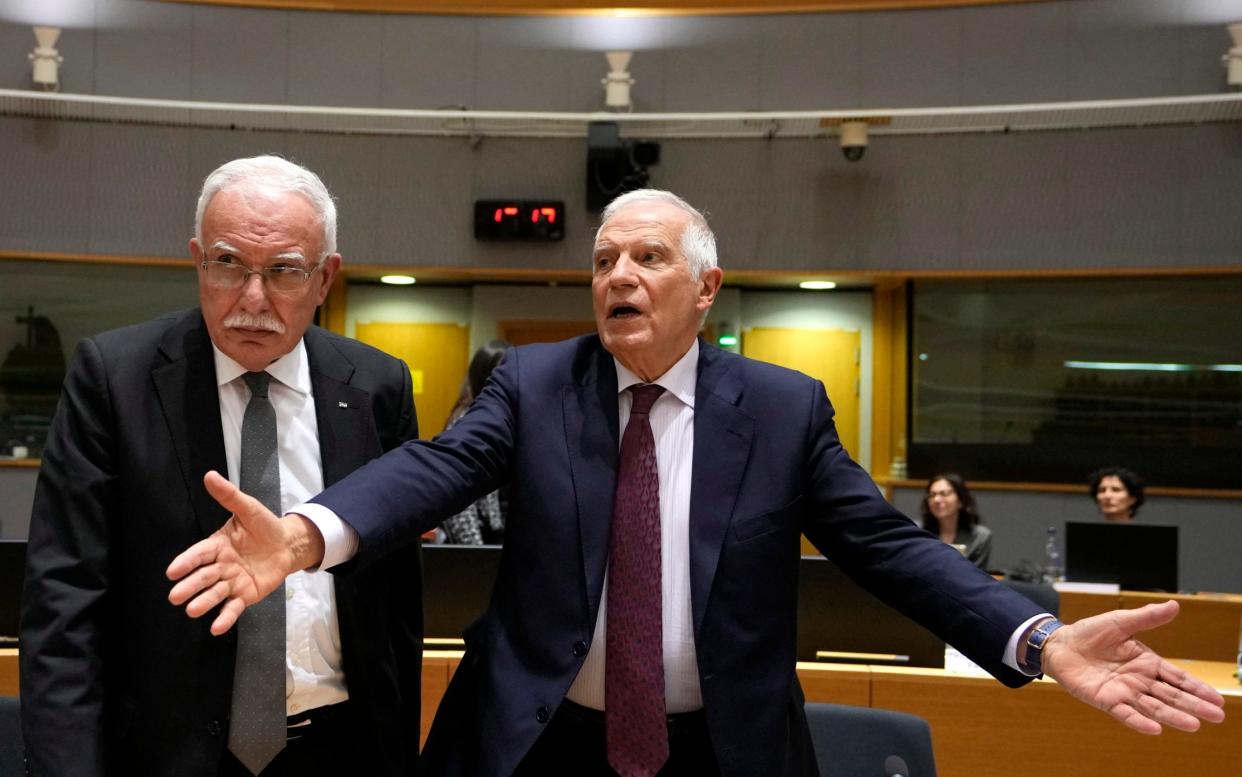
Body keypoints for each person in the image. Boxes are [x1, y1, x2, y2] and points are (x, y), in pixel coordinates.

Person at [168, 189, 1224, 777]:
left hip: (723, 754)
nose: (618, 276)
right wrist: (307, 535)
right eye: (604, 260)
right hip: (536, 750)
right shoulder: (532, 384)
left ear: (706, 287)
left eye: (649, 258)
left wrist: (1036, 638)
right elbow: (437, 471)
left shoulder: (782, 408)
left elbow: (887, 545)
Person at [21, 156, 424, 777]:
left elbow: (397, 602)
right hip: (165, 752)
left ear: (326, 278)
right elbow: (64, 605)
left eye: (285, 270)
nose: (252, 298)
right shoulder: (115, 377)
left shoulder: (376, 386)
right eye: (228, 264)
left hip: (341, 747)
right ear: (197, 261)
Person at [437, 340, 511, 545]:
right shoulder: (465, 424)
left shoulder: (516, 420)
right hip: (479, 543)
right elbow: (458, 503)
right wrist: (476, 554)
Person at [919, 473, 992, 569]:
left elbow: (977, 578)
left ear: (961, 501)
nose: (936, 500)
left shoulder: (980, 536)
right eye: (932, 495)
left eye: (944, 494)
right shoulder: (917, 531)